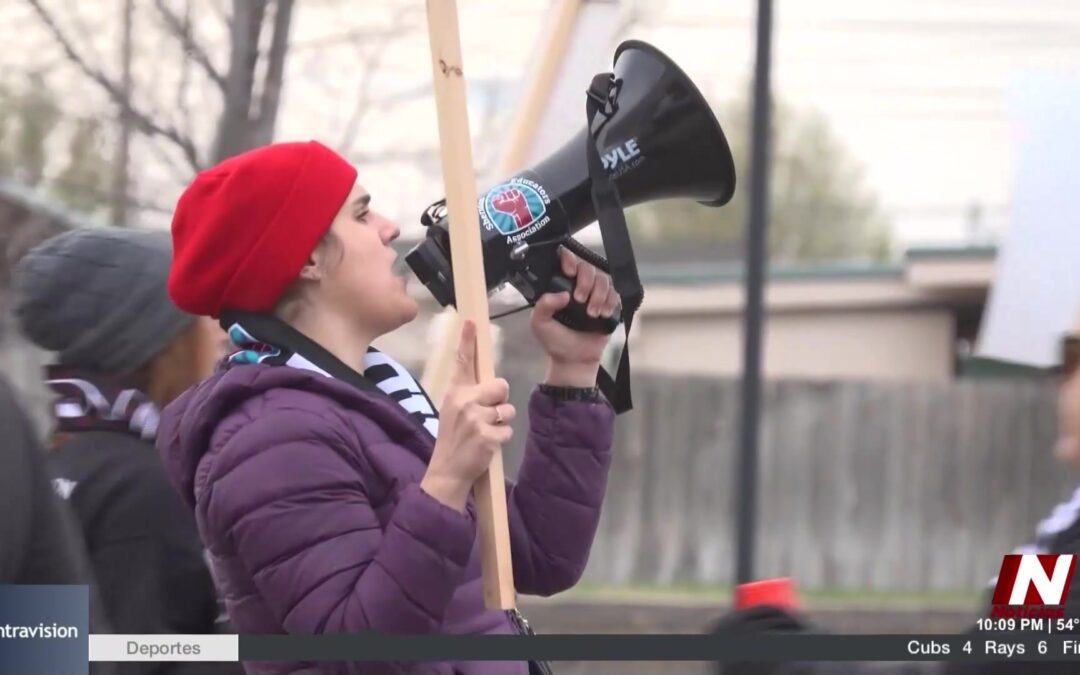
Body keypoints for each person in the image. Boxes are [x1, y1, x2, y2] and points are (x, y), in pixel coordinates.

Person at [156, 140, 618, 674]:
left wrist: (573, 372)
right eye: (361, 212)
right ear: (305, 257)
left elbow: (541, 554)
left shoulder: (374, 397)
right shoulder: (270, 439)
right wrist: (444, 480)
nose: (390, 227)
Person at [13, 227, 237, 673]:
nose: (219, 330)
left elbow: (34, 653)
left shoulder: (58, 459)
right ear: (158, 343)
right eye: (200, 310)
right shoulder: (144, 485)